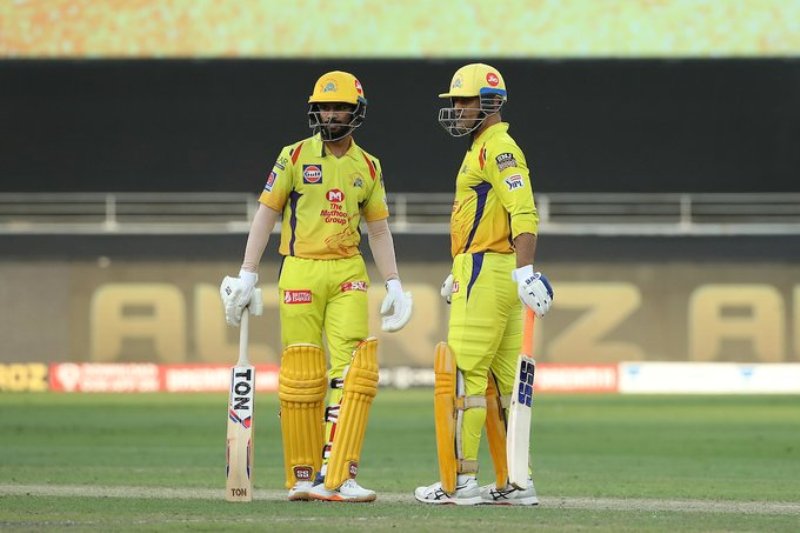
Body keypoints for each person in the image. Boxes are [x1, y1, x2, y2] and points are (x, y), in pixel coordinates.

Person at [220, 70, 412, 503]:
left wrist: (394, 283)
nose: (330, 114)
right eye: (324, 107)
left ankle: (339, 473)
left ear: (356, 112)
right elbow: (266, 214)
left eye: (339, 107)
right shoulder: (292, 156)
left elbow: (379, 231)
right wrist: (248, 272)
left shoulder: (369, 166)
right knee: (302, 376)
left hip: (348, 273)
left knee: (352, 374)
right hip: (300, 271)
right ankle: (303, 476)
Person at [414, 63, 554, 506]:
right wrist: (460, 267)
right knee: (507, 386)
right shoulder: (484, 146)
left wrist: (525, 270)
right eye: (454, 101)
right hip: (489, 270)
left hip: (489, 272)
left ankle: (459, 482)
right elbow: (485, 217)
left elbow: (523, 210)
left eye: (465, 100)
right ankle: (517, 482)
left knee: (465, 380)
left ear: (489, 102)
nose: (457, 108)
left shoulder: (497, 147)